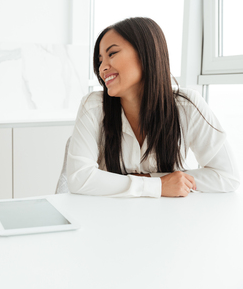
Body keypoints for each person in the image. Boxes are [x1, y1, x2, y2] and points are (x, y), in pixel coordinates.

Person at [66, 17, 240, 198]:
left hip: (168, 218)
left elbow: (227, 175)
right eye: (100, 60)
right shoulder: (93, 106)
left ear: (145, 53)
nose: (102, 68)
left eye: (112, 54)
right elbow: (79, 178)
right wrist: (158, 185)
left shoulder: (186, 105)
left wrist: (151, 180)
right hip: (110, 216)